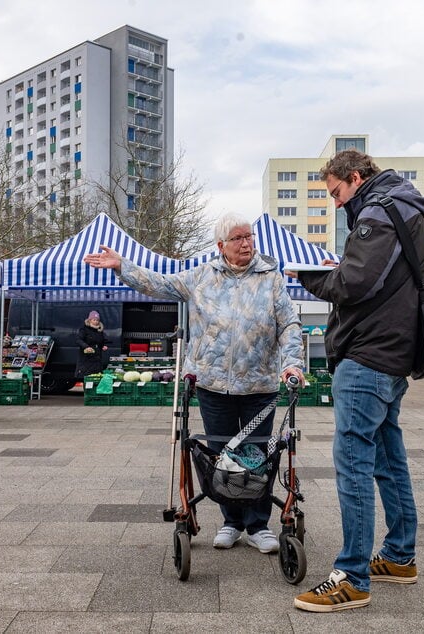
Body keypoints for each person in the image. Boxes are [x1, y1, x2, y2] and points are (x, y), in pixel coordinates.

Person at [83, 212, 304, 554]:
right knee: (221, 456)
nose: (246, 244)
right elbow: (159, 284)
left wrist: (292, 362)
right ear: (221, 245)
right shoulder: (202, 276)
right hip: (212, 384)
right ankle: (231, 521)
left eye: (249, 237)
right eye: (237, 238)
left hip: (259, 385)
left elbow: (289, 323)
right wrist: (121, 265)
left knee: (257, 456)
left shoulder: (271, 279)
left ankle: (258, 526)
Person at [290, 149, 424, 612]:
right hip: (393, 355)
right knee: (388, 459)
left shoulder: (378, 212)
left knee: (353, 461)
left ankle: (351, 577)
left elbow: (351, 284)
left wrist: (307, 276)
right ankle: (399, 556)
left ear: (355, 178)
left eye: (336, 193)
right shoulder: (407, 209)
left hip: (367, 355)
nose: (335, 203)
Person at [75, 310, 108, 378]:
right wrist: (86, 347)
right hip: (86, 359)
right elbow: (78, 340)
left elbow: (102, 341)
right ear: (89, 320)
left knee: (96, 378)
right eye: (94, 320)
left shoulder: (99, 331)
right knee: (87, 377)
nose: (96, 322)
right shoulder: (84, 330)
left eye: (97, 320)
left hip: (97, 359)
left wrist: (103, 346)